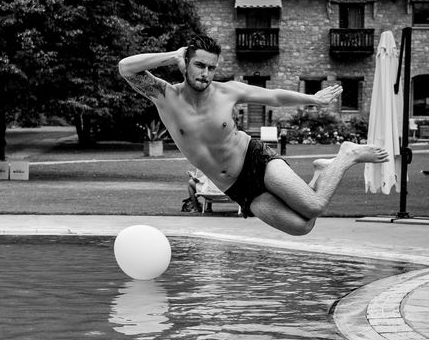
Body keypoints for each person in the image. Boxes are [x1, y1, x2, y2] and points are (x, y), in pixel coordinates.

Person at [118, 35, 389, 235]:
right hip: (236, 188)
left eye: (212, 68)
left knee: (314, 206)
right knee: (302, 226)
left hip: (255, 160)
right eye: (200, 65)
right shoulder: (165, 96)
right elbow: (125, 67)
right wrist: (172, 54)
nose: (206, 74)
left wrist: (313, 99)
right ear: (185, 63)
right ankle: (320, 171)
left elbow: (273, 97)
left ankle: (347, 154)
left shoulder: (227, 91)